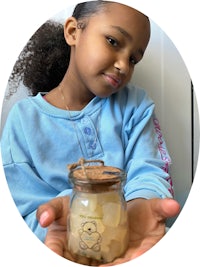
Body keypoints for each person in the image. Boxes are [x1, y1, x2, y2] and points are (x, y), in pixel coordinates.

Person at [1, 1, 180, 266]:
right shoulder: (23, 121)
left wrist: (133, 211)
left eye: (133, 59)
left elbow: (150, 171)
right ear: (74, 31)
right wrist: (71, 230)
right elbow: (21, 211)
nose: (123, 65)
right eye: (113, 41)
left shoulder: (137, 105)